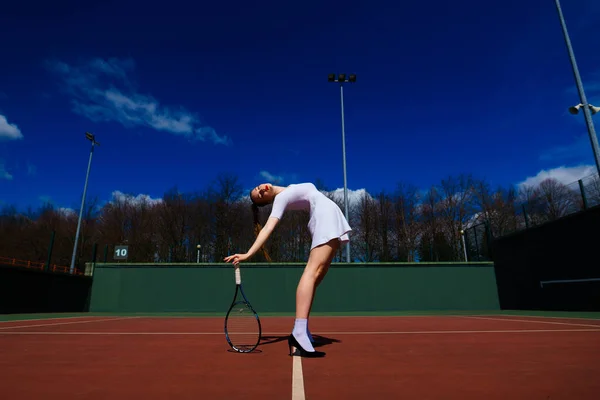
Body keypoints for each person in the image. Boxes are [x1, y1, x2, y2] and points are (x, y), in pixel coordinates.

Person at [224, 182, 352, 358]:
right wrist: (248, 253)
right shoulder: (281, 198)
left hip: (329, 216)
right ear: (267, 201)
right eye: (259, 196)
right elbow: (268, 228)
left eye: (256, 188)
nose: (260, 190)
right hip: (324, 218)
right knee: (312, 273)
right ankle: (299, 333)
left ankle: (302, 330)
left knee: (317, 276)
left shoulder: (289, 189)